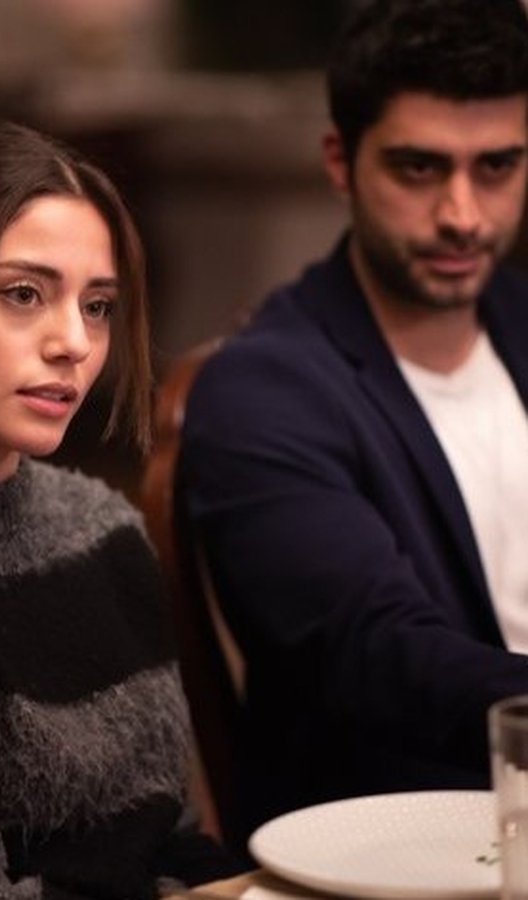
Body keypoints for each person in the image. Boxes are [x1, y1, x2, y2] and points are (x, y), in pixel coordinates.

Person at [181, 0, 528, 845]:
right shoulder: (261, 390)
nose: (463, 214)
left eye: (496, 166)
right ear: (340, 161)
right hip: (396, 850)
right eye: (418, 168)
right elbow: (380, 656)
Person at [0, 118, 240, 899]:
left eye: (97, 306)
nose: (73, 341)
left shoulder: (104, 530)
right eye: (22, 294)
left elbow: (171, 836)